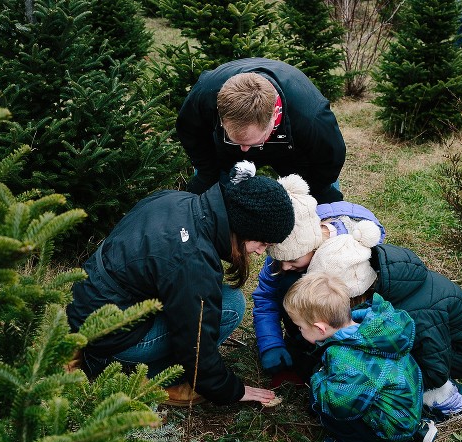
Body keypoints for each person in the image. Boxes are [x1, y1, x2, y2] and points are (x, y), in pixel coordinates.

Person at [66, 161, 297, 407]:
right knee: (231, 304)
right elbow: (197, 345)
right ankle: (154, 378)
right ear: (241, 228)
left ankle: (84, 350)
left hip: (85, 307)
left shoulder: (178, 200)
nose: (260, 253)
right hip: (112, 336)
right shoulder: (193, 259)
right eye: (261, 243)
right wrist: (230, 389)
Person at [307, 234, 462, 424]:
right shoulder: (388, 284)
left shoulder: (417, 313)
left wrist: (388, 387)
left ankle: (445, 399)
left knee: (383, 362)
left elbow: (436, 369)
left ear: (354, 293)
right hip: (443, 346)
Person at [283, 272, 437, 442]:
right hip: (407, 406)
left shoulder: (348, 359)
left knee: (332, 414)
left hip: (392, 426)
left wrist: (318, 378)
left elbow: (339, 405)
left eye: (300, 327)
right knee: (383, 392)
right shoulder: (374, 330)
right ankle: (416, 429)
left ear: (320, 328)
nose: (299, 331)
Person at [251, 183, 385, 380]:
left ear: (315, 247)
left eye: (292, 260)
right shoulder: (283, 256)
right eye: (280, 260)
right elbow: (266, 299)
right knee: (288, 282)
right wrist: (271, 343)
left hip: (344, 322)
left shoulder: (349, 259)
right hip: (310, 327)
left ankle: (338, 350)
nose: (285, 266)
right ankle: (303, 338)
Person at [176, 57, 347, 204]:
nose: (245, 149)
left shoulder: (311, 117)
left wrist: (309, 193)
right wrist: (207, 172)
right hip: (225, 153)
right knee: (205, 194)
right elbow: (190, 132)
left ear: (274, 115)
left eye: (253, 141)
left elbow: (330, 161)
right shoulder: (205, 95)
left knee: (322, 199)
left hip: (293, 152)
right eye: (236, 140)